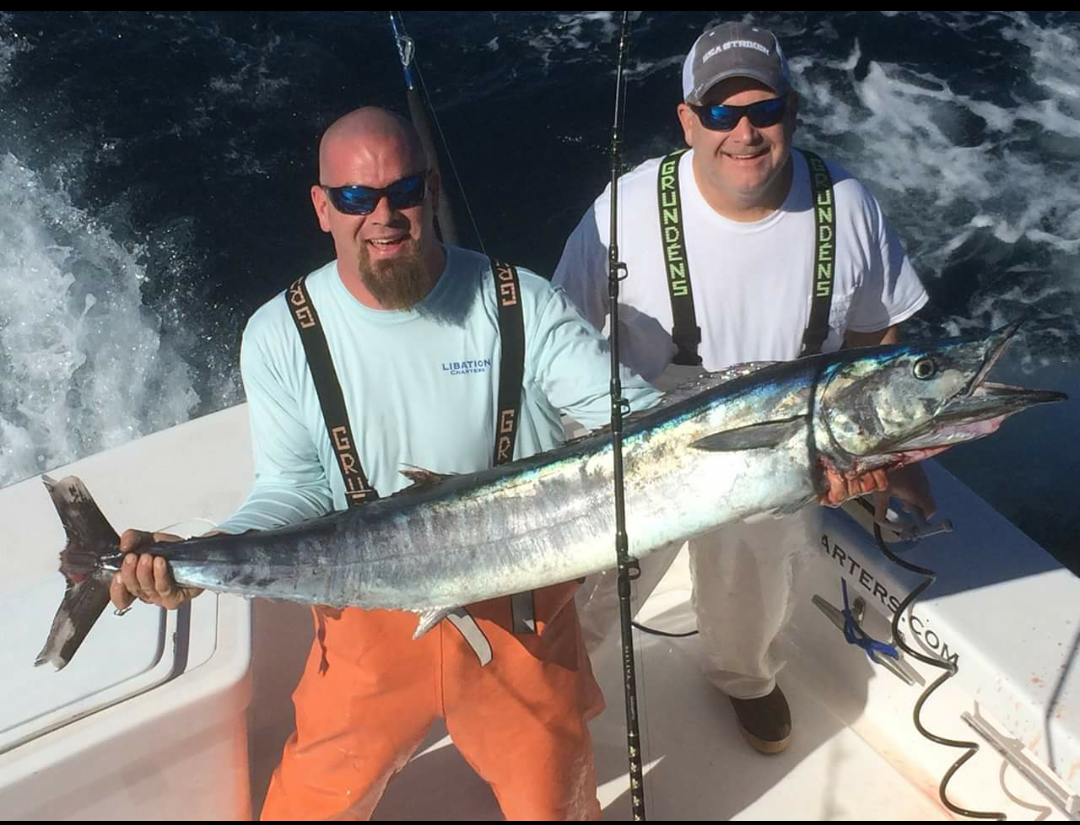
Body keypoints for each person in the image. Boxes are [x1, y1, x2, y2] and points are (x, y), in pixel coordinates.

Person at [110, 106, 662, 821]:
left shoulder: (522, 301)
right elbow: (293, 486)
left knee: (558, 809)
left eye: (402, 191)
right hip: (367, 620)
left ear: (430, 190)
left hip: (518, 621)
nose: (384, 215)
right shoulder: (281, 332)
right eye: (354, 197)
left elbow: (639, 427)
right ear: (322, 207)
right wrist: (207, 554)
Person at [554, 21, 934, 756]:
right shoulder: (621, 212)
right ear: (689, 121)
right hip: (640, 446)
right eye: (722, 113)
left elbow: (875, 337)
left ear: (792, 111)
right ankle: (550, 696)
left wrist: (888, 455)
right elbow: (556, 339)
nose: (745, 132)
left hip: (780, 450)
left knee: (754, 597)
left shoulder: (848, 207)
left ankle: (744, 678)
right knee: (588, 599)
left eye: (764, 111)